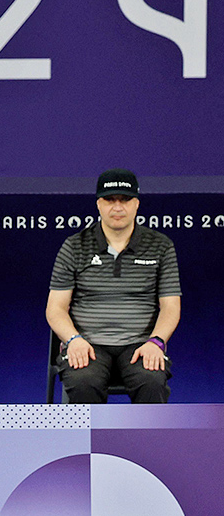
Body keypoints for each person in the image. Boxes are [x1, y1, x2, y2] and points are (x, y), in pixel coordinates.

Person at [46, 169, 181, 403]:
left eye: (125, 199)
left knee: (152, 381)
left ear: (136, 204)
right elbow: (55, 308)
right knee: (82, 383)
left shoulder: (161, 246)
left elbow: (170, 306)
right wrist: (73, 340)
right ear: (99, 204)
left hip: (141, 344)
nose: (117, 207)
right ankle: (86, 442)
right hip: (87, 344)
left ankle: (147, 442)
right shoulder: (74, 246)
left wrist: (156, 342)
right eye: (109, 199)